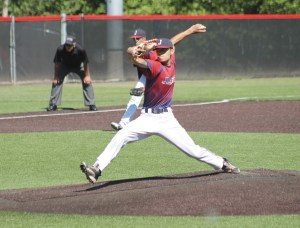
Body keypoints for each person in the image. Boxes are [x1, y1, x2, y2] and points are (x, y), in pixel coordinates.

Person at [80, 36, 240, 184]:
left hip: (167, 120)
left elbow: (173, 41)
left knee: (192, 151)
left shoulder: (172, 61)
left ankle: (222, 163)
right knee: (121, 136)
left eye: (164, 50)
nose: (161, 53)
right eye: (158, 51)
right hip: (147, 119)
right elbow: (132, 57)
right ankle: (97, 168)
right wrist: (133, 50)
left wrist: (190, 31)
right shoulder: (154, 65)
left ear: (172, 51)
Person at [111, 24, 207, 130]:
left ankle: (157, 119)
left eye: (137, 38)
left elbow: (172, 41)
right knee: (135, 98)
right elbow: (129, 50)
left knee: (150, 98)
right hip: (147, 75)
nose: (135, 41)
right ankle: (124, 123)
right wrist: (136, 49)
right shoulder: (140, 49)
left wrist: (190, 30)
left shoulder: (156, 48)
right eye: (134, 39)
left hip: (159, 74)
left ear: (143, 38)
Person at [47, 35, 97, 111]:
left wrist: (87, 76)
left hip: (78, 66)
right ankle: (53, 104)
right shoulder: (60, 49)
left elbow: (86, 63)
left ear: (74, 45)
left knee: (87, 82)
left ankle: (91, 104)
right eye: (66, 44)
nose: (67, 47)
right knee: (56, 82)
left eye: (70, 45)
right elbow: (57, 64)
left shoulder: (81, 50)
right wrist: (56, 76)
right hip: (65, 66)